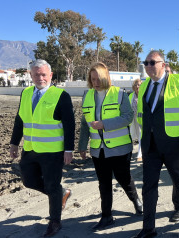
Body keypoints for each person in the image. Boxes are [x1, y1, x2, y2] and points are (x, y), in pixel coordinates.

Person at [133, 50, 179, 238]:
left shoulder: (178, 83)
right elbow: (144, 116)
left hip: (174, 144)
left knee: (178, 180)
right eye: (145, 63)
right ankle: (148, 228)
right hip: (150, 146)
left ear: (163, 64)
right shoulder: (144, 86)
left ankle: (178, 206)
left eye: (152, 62)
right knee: (148, 186)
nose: (148, 66)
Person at [9, 59, 74, 237]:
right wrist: (14, 143)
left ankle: (55, 222)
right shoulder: (25, 93)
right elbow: (20, 120)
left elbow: (69, 125)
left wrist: (69, 150)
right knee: (29, 181)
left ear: (51, 75)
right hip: (30, 149)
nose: (41, 78)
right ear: (31, 75)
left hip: (53, 151)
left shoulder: (61, 96)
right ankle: (61, 194)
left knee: (52, 185)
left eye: (44, 74)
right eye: (36, 74)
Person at [78, 62, 143, 231]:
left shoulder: (120, 94)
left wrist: (104, 124)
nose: (96, 82)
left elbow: (128, 117)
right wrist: (82, 145)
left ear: (106, 78)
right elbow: (85, 124)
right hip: (97, 149)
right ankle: (107, 216)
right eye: (93, 79)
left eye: (99, 79)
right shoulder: (87, 96)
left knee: (124, 179)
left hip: (120, 148)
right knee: (104, 183)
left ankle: (136, 200)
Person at [129, 79, 143, 162]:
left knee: (141, 136)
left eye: (139, 85)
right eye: (136, 85)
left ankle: (140, 155)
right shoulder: (130, 96)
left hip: (142, 119)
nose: (137, 86)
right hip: (133, 120)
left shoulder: (144, 95)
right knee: (136, 136)